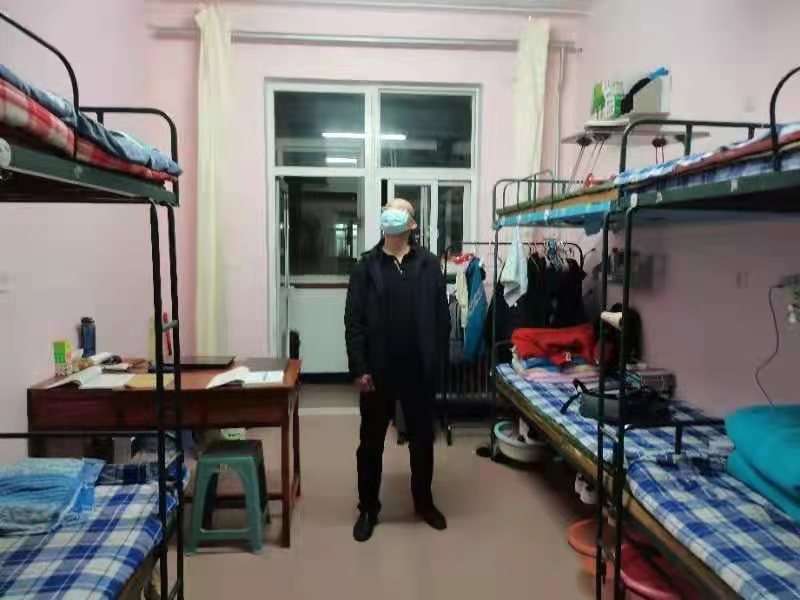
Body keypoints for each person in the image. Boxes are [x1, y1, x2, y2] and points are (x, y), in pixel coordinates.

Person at [344, 198, 450, 542]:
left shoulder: (429, 264)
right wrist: (359, 368)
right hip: (378, 372)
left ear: (412, 223)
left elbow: (441, 317)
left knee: (422, 442)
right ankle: (368, 509)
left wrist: (437, 360)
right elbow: (353, 322)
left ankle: (424, 502)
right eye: (389, 208)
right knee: (370, 444)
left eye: (400, 209)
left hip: (419, 370)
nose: (392, 212)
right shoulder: (365, 266)